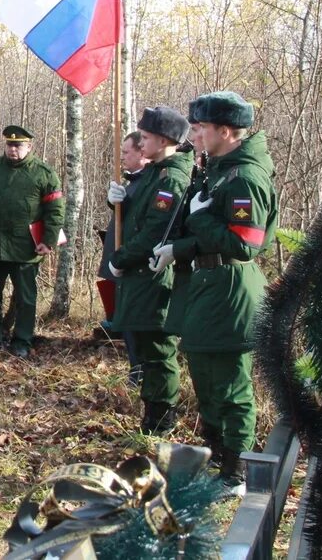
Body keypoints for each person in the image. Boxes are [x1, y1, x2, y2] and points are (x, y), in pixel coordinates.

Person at [155, 91, 278, 490]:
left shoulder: (244, 176)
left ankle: (236, 468)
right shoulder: (219, 169)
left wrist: (202, 221)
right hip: (207, 286)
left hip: (230, 292)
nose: (194, 135)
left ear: (226, 131)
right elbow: (207, 233)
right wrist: (179, 247)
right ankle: (215, 455)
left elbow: (244, 243)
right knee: (206, 377)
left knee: (230, 384)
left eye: (202, 128)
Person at [105, 107, 192, 433]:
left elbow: (156, 230)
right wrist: (122, 201)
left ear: (164, 139)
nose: (139, 144)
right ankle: (152, 414)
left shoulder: (172, 177)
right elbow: (140, 215)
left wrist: (121, 258)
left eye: (144, 137)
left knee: (157, 350)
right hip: (141, 276)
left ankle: (161, 419)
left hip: (154, 276)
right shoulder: (156, 172)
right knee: (145, 347)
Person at [0, 125, 65, 358]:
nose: (13, 149)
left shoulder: (43, 173)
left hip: (26, 249)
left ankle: (22, 340)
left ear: (29, 146)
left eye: (18, 145)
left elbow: (55, 210)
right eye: (10, 145)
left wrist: (48, 241)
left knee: (26, 299)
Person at [96, 132, 150, 382]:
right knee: (123, 318)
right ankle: (136, 368)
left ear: (142, 152)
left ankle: (141, 369)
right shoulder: (134, 181)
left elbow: (143, 223)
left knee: (136, 322)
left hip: (135, 265)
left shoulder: (152, 181)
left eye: (127, 152)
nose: (123, 158)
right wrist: (114, 202)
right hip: (121, 262)